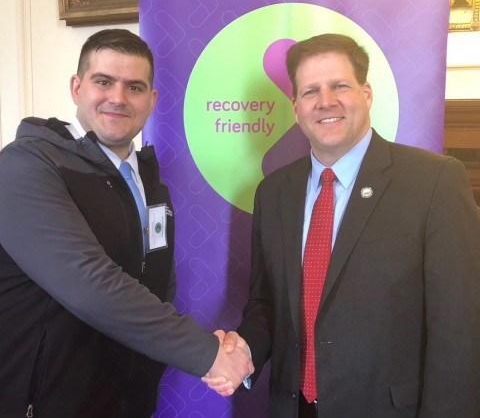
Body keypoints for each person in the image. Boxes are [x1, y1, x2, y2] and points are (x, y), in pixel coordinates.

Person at [204, 33, 480, 417]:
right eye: (311, 91)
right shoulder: (274, 193)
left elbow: (460, 328)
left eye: (340, 86)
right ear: (296, 106)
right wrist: (245, 349)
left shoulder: (433, 181)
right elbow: (266, 304)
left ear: (366, 94)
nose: (326, 102)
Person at [0, 29, 253, 418]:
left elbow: (156, 288)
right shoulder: (25, 166)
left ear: (151, 101)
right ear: (77, 87)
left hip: (126, 402)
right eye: (103, 81)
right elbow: (90, 282)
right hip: (43, 403)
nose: (117, 98)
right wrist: (206, 354)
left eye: (134, 87)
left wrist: (213, 352)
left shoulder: (150, 183)